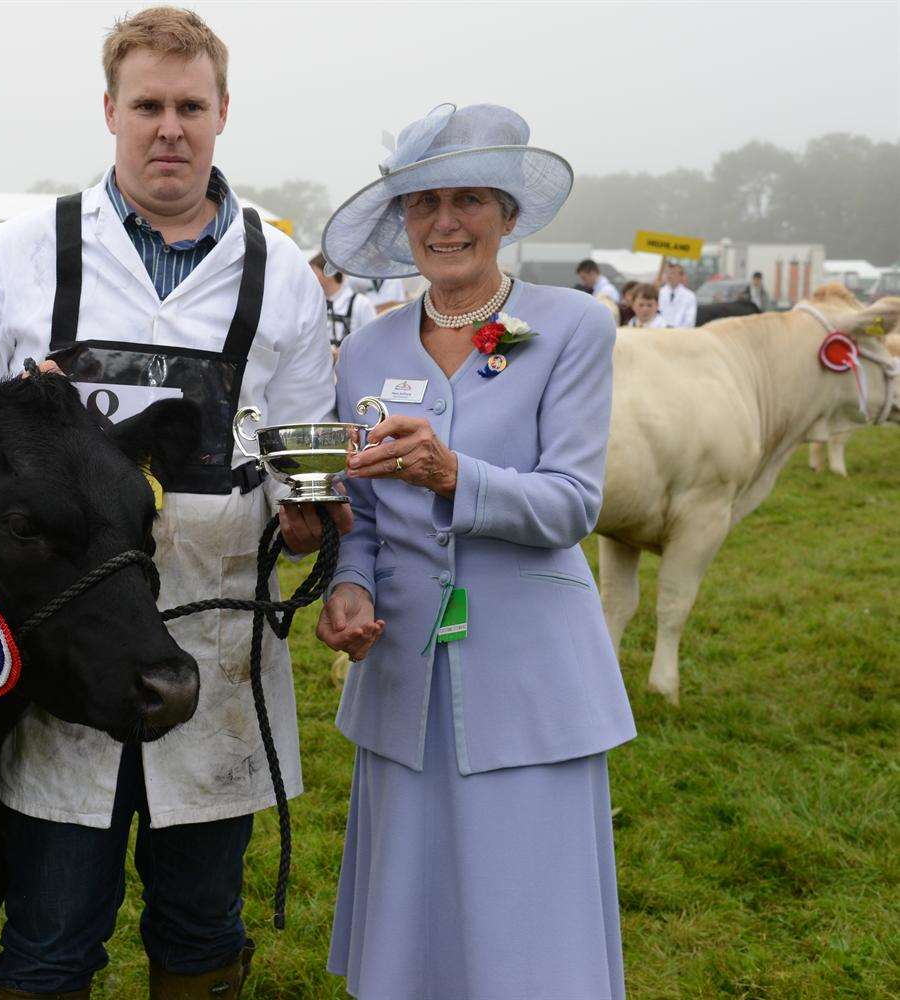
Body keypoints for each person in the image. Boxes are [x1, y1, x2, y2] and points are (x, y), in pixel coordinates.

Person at [0, 8, 340, 997]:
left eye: (191, 105)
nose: (169, 128)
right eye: (148, 105)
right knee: (53, 931)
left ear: (223, 113)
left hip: (219, 648)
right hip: (63, 644)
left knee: (199, 928)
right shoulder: (26, 248)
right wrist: (16, 414)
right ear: (111, 111)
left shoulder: (283, 275)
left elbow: (306, 442)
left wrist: (314, 511)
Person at [317, 102, 636, 1000]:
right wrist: (347, 586)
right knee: (414, 936)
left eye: (467, 201)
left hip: (529, 684)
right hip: (405, 685)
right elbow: (363, 516)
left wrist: (456, 474)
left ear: (507, 215)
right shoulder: (368, 349)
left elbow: (574, 503)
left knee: (528, 936)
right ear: (401, 222)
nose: (444, 223)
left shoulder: (564, 327)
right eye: (423, 204)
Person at [310, 250, 377, 350]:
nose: (310, 277)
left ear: (329, 274)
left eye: (314, 272)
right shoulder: (315, 304)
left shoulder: (361, 303)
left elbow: (373, 341)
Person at [658, 261, 697, 327]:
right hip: (661, 331)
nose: (669, 276)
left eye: (673, 273)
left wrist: (677, 330)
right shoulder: (659, 293)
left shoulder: (690, 296)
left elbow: (690, 319)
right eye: (668, 273)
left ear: (681, 276)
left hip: (681, 333)